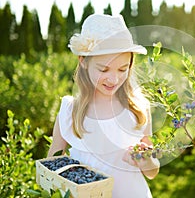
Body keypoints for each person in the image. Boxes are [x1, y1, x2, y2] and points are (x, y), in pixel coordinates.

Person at [47, 14, 160, 198]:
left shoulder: (137, 108)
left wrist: (146, 162)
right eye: (104, 69)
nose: (114, 79)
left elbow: (152, 170)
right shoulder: (70, 110)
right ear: (83, 61)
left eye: (123, 69)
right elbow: (54, 162)